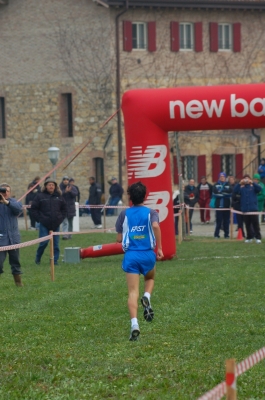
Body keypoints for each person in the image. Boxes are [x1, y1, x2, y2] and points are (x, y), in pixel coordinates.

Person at [115, 181, 164, 341]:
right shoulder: (151, 212)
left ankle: (134, 324)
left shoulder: (124, 214)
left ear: (130, 197)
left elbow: (118, 238)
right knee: (150, 278)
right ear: (145, 195)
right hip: (147, 254)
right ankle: (147, 297)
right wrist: (160, 248)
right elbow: (156, 226)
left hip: (131, 256)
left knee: (132, 292)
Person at [31, 177, 67, 265]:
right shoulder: (40, 196)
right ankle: (38, 258)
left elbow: (64, 209)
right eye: (49, 185)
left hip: (56, 224)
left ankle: (55, 261)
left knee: (56, 244)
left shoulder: (60, 197)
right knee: (43, 243)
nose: (51, 186)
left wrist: (60, 218)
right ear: (45, 186)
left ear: (55, 186)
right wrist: (39, 219)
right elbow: (34, 209)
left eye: (52, 185)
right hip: (44, 223)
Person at [0, 183, 23, 287]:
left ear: (10, 192)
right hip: (1, 239)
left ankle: (18, 283)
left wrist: (6, 203)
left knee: (15, 262)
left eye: (7, 191)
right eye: (3, 191)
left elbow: (18, 210)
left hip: (13, 238)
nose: (5, 193)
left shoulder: (13, 202)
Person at [234, 174, 262, 243]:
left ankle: (257, 237)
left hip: (253, 208)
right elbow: (235, 191)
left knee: (255, 224)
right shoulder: (241, 188)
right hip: (245, 209)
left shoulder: (253, 187)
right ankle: (249, 237)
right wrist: (239, 183)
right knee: (247, 224)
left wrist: (252, 182)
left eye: (247, 178)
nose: (246, 180)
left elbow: (259, 189)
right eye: (245, 179)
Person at [212, 172, 232, 239]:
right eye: (221, 176)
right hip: (218, 206)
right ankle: (216, 234)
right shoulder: (216, 185)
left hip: (226, 206)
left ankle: (226, 234)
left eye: (223, 176)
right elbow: (215, 194)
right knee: (218, 221)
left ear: (225, 177)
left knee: (226, 221)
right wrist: (224, 194)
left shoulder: (228, 185)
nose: (222, 178)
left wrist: (221, 192)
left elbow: (230, 194)